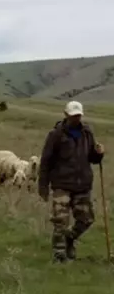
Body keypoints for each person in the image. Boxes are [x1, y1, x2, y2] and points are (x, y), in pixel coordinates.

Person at [38, 100, 105, 263]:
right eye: (73, 116)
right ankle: (59, 255)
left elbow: (92, 158)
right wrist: (43, 186)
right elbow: (46, 161)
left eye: (79, 115)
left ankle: (70, 239)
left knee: (86, 219)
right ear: (66, 115)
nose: (76, 119)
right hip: (62, 183)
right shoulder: (55, 135)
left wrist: (99, 154)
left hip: (82, 184)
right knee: (60, 220)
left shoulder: (87, 133)